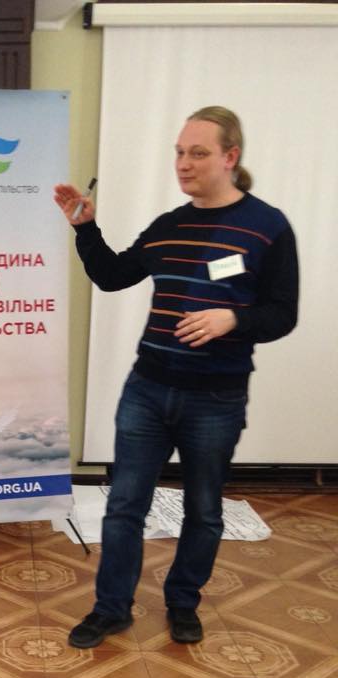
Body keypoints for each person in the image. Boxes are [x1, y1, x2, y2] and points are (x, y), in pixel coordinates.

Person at [54, 106, 298, 647]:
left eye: (198, 153)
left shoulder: (268, 227)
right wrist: (85, 228)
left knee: (204, 510)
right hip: (147, 391)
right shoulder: (170, 226)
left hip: (216, 398)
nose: (184, 163)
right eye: (180, 152)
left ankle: (183, 602)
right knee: (124, 506)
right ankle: (111, 608)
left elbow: (283, 313)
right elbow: (113, 276)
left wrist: (234, 319)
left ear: (230, 157)